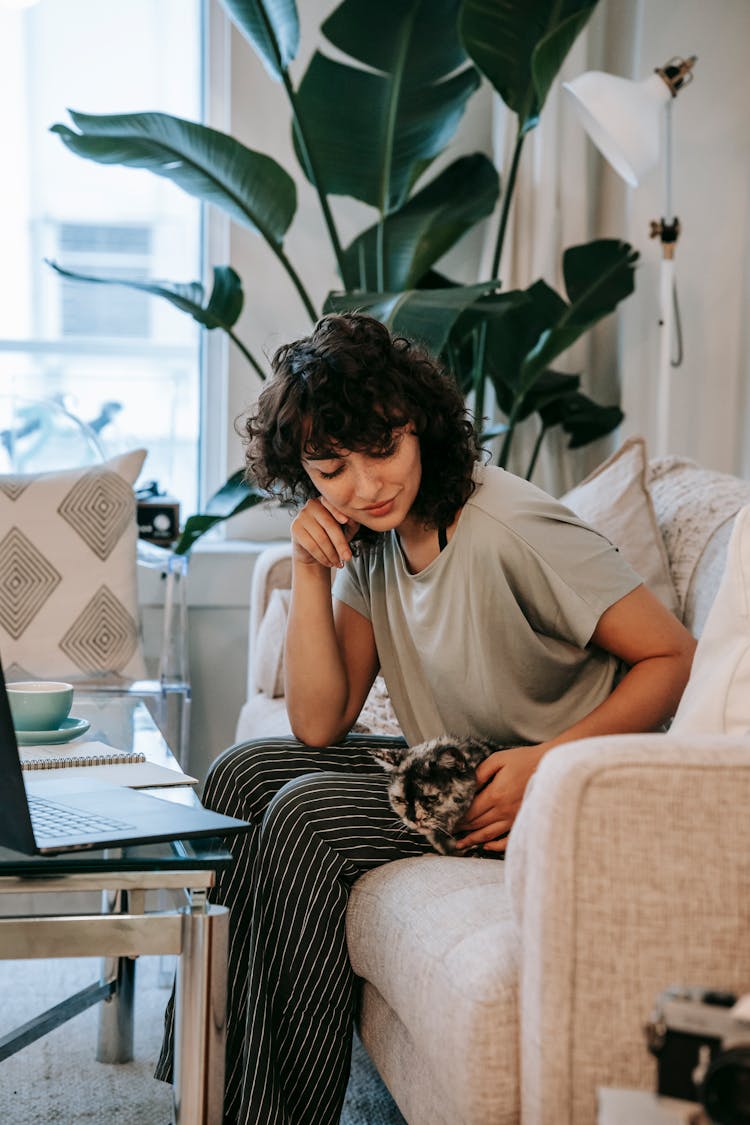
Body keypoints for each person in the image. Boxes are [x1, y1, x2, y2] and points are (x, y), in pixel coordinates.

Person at [156, 312, 696, 1124]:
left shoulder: (512, 524)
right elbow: (318, 722)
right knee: (239, 773)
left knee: (304, 817)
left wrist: (551, 762)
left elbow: (672, 656)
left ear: (419, 424)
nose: (366, 485)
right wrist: (308, 566)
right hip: (459, 763)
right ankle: (207, 1081)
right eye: (331, 469)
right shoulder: (372, 538)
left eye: (383, 449)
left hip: (559, 783)